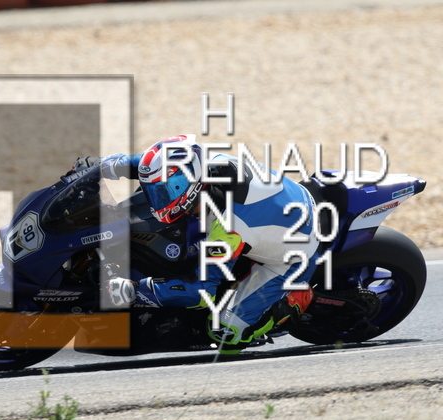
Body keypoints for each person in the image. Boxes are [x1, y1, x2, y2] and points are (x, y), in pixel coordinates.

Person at [72, 134, 319, 354]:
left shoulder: (228, 228)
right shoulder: (201, 162)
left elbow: (201, 293)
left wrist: (135, 291)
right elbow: (147, 164)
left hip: (295, 254)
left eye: (170, 190)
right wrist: (98, 167)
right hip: (285, 204)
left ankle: (294, 299)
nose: (159, 199)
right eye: (158, 191)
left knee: (227, 333)